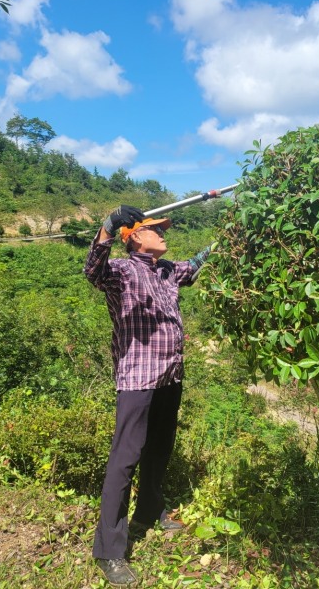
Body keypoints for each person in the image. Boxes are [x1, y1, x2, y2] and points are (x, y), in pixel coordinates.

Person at [83, 205, 211, 587]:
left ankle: (149, 510)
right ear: (136, 236)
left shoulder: (168, 270)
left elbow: (197, 262)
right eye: (156, 229)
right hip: (138, 378)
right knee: (125, 459)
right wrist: (108, 224)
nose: (163, 233)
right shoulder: (121, 272)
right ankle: (109, 550)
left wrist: (231, 237)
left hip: (170, 375)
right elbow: (93, 269)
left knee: (159, 448)